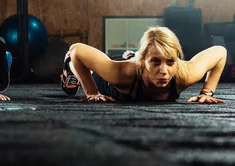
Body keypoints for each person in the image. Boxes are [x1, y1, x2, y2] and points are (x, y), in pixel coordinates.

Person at [60, 26, 226, 103]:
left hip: (138, 59)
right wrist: (92, 92)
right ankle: (69, 67)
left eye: (170, 62)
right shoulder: (121, 74)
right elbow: (77, 50)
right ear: (143, 61)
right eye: (155, 62)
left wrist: (207, 92)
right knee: (87, 70)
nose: (164, 71)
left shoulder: (185, 73)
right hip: (113, 84)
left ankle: (136, 55)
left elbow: (220, 52)